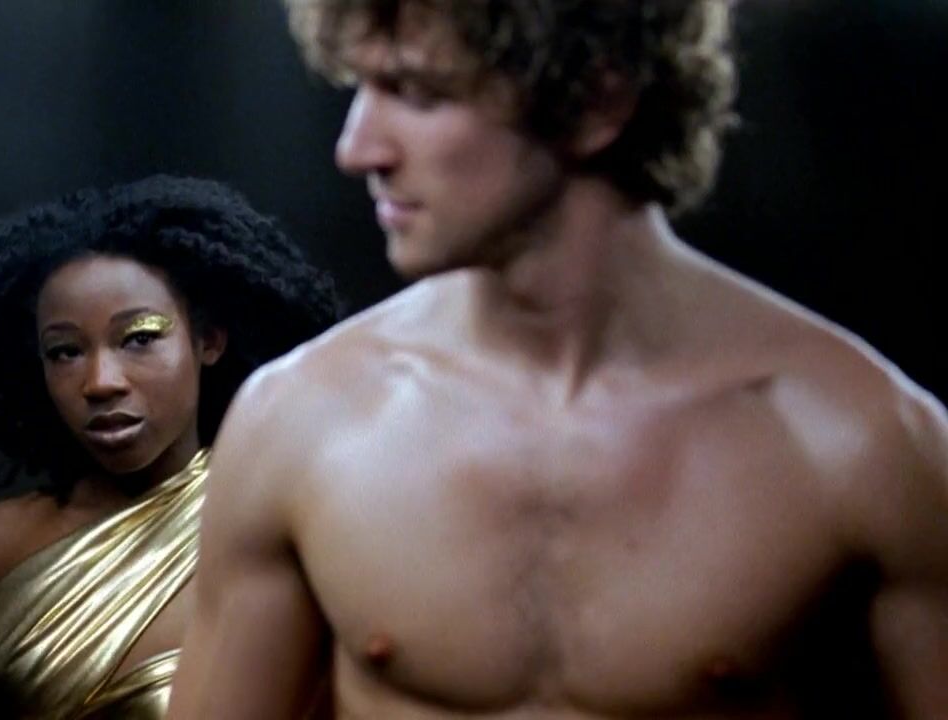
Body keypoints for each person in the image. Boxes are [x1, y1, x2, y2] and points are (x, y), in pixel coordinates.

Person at [167, 1, 948, 717]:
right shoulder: (300, 422)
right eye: (361, 86)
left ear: (597, 101)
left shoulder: (861, 443)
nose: (356, 147)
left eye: (420, 94)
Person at [0, 175, 343, 720]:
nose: (100, 382)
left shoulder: (282, 538)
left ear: (208, 340)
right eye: (65, 352)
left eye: (139, 338)